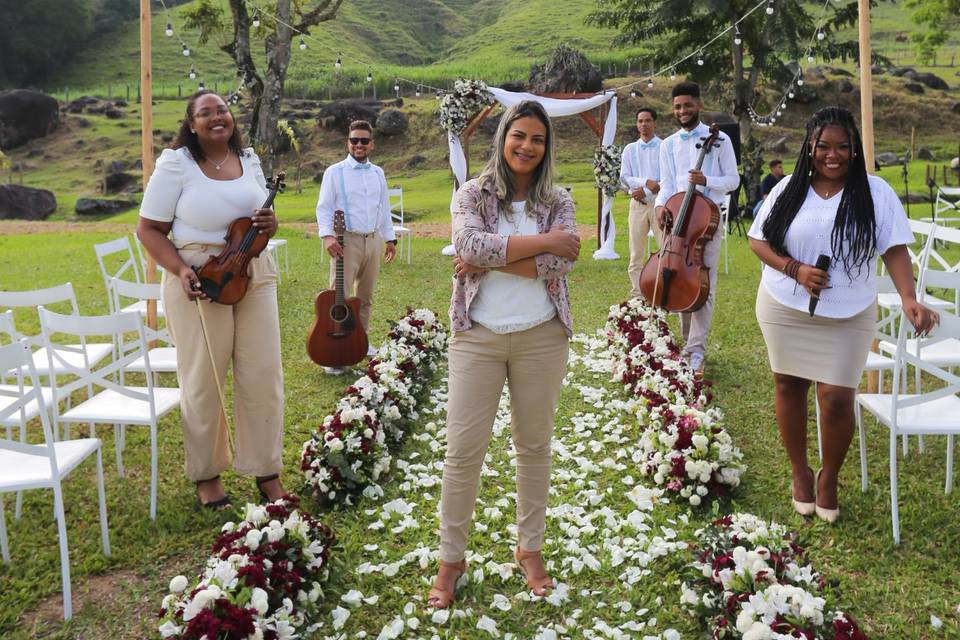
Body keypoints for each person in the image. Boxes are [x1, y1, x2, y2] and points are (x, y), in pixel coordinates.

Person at [748, 106, 938, 523]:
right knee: (788, 385)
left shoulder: (875, 192)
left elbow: (893, 248)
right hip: (784, 304)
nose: (832, 155)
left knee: (836, 398)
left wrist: (909, 297)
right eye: (823, 147)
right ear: (810, 148)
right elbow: (758, 241)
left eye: (842, 147)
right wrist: (795, 269)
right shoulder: (788, 189)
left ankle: (829, 476)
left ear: (854, 150)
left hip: (850, 311)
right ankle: (800, 472)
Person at [428, 100, 581, 608]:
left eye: (538, 139)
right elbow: (468, 244)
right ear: (503, 138)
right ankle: (452, 559)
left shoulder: (559, 198)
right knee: (462, 452)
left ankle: (529, 548)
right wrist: (537, 246)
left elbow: (565, 259)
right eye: (519, 135)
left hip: (542, 335)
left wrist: (492, 256)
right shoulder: (472, 192)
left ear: (547, 147)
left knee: (534, 447)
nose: (527, 146)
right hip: (479, 336)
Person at [137, 90, 287, 509]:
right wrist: (180, 270)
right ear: (191, 124)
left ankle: (266, 469)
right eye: (205, 113)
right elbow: (148, 229)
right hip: (201, 279)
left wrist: (271, 224)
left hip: (254, 273)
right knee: (203, 380)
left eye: (222, 110)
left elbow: (259, 219)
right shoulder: (177, 164)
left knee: (263, 376)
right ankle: (206, 473)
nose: (216, 117)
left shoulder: (250, 159)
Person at [655, 81, 740, 376]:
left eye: (687, 105)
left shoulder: (721, 141)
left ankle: (697, 350)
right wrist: (659, 205)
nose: (682, 111)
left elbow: (733, 180)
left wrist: (707, 181)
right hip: (677, 223)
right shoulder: (667, 144)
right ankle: (687, 343)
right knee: (679, 280)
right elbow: (666, 185)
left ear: (699, 105)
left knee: (704, 284)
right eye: (677, 106)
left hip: (707, 222)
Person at [315, 120, 397, 373]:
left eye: (364, 140)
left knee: (366, 297)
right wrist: (328, 237)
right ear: (347, 143)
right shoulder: (335, 172)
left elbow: (383, 208)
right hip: (345, 240)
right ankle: (333, 351)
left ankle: (360, 340)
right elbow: (324, 207)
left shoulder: (378, 173)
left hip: (372, 239)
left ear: (371, 143)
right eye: (354, 140)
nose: (359, 145)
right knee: (338, 296)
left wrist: (390, 238)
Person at [620, 107, 662, 298]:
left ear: (654, 122)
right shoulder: (630, 149)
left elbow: (666, 179)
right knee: (636, 253)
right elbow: (625, 177)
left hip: (660, 204)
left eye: (647, 120)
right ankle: (638, 294)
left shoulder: (664, 146)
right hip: (638, 206)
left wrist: (648, 188)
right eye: (640, 121)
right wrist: (646, 184)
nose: (643, 124)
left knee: (664, 250)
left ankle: (662, 290)